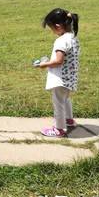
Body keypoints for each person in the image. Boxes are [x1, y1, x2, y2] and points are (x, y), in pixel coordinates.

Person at [35, 8, 80, 138]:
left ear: (58, 26)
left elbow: (59, 61)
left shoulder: (61, 40)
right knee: (65, 99)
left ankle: (59, 129)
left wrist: (44, 64)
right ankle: (69, 119)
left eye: (51, 28)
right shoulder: (73, 37)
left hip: (60, 78)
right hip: (70, 76)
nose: (52, 32)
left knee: (58, 102)